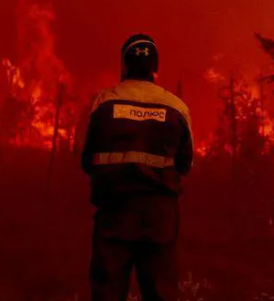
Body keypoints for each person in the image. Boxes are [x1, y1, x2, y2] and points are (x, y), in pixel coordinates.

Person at [82, 33, 193, 301]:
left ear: (124, 65)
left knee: (107, 292)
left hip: (114, 214)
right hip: (160, 218)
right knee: (161, 293)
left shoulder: (102, 103)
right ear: (156, 68)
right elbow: (185, 164)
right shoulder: (177, 108)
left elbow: (86, 160)